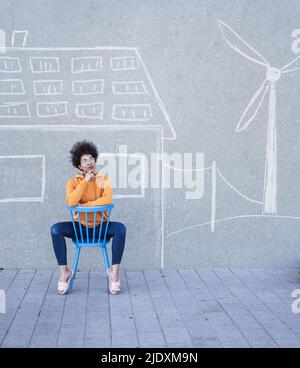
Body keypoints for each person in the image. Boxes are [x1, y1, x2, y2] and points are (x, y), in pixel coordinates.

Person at [51, 140, 126, 295]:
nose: (89, 162)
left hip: (101, 227)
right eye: (84, 160)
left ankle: (114, 273)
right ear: (79, 165)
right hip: (80, 228)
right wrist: (85, 181)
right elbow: (71, 201)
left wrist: (83, 206)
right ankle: (64, 272)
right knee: (55, 229)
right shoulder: (72, 182)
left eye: (91, 159)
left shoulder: (104, 179)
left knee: (121, 229)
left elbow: (107, 200)